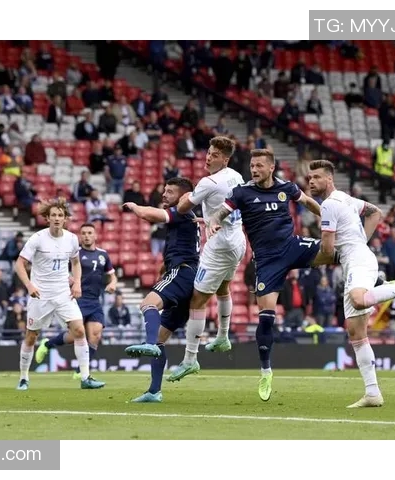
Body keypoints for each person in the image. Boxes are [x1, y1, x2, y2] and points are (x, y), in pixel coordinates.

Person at [307, 159, 395, 407]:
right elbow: (375, 213)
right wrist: (360, 241)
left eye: (317, 177)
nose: (311, 181)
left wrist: (307, 261)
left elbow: (327, 250)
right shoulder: (346, 199)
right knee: (356, 332)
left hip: (358, 261)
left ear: (329, 179)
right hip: (356, 260)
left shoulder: (329, 204)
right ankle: (372, 393)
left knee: (358, 300)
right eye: (310, 177)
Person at [206, 149, 334, 402]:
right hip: (266, 261)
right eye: (252, 166)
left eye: (259, 166)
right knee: (266, 319)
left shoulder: (286, 187)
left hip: (291, 246)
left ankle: (377, 280)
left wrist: (329, 215)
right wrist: (213, 221)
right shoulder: (242, 192)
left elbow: (307, 202)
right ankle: (266, 372)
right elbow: (222, 211)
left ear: (271, 168)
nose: (254, 170)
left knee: (337, 252)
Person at [168, 136, 245, 381]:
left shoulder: (208, 182)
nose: (209, 157)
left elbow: (182, 208)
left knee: (197, 301)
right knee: (223, 288)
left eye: (215, 155)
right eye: (209, 152)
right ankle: (223, 337)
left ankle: (190, 359)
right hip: (237, 240)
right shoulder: (236, 176)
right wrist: (210, 217)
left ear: (225, 159)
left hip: (219, 245)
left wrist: (187, 196)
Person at [121, 177, 200, 403]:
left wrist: (135, 206)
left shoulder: (182, 212)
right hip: (187, 276)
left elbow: (150, 215)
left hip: (182, 273)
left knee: (148, 304)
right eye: (164, 190)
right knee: (160, 339)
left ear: (184, 197)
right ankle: (154, 391)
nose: (164, 194)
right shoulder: (188, 218)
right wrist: (163, 268)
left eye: (170, 192)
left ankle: (148, 344)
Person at [14, 199, 105, 390]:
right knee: (31, 336)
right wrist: (29, 285)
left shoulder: (71, 239)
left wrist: (77, 282)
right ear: (47, 218)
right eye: (53, 215)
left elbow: (76, 263)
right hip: (41, 295)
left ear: (65, 219)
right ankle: (23, 378)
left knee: (79, 331)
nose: (57, 218)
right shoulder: (38, 238)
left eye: (60, 215)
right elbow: (19, 264)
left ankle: (85, 377)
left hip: (63, 293)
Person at [35, 223, 117, 381]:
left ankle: (80, 371)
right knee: (75, 335)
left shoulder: (103, 255)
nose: (86, 236)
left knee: (95, 336)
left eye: (90, 233)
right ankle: (47, 344)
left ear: (95, 236)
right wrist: (68, 278)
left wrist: (113, 283)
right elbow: (58, 269)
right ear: (80, 236)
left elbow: (112, 275)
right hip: (77, 299)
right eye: (84, 233)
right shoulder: (75, 253)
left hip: (95, 301)